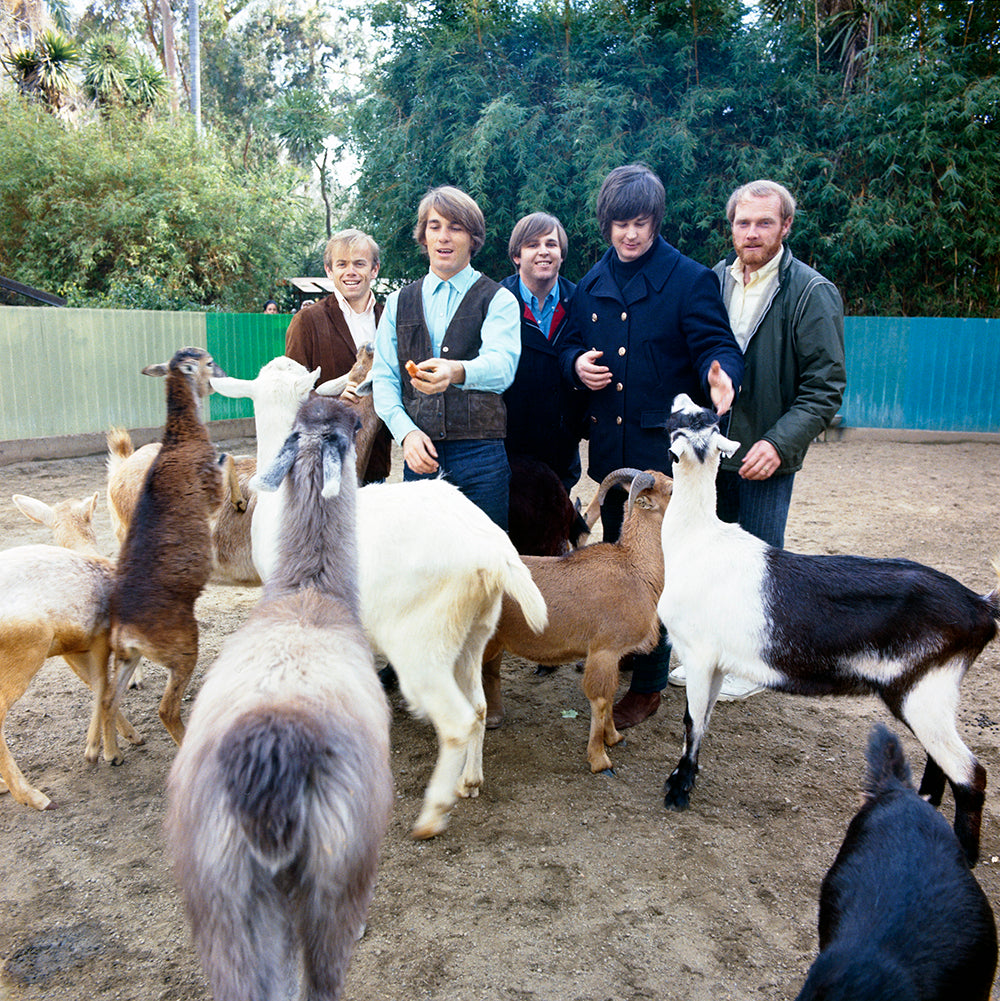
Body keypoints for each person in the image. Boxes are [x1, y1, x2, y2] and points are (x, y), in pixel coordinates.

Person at [559, 163, 745, 730]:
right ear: (605, 225)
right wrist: (575, 365)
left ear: (656, 222)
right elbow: (568, 342)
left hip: (664, 462)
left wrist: (721, 374)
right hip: (613, 458)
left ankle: (649, 683)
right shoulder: (591, 282)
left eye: (640, 224)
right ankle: (617, 647)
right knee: (619, 563)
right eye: (620, 225)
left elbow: (717, 342)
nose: (630, 235)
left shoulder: (689, 279)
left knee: (658, 573)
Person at [667, 179, 845, 700]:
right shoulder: (711, 280)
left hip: (766, 455)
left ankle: (753, 665)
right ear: (731, 227)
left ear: (786, 226)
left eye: (765, 222)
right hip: (709, 454)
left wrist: (779, 444)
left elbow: (825, 387)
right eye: (743, 222)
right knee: (704, 560)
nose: (752, 232)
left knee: (761, 565)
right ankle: (711, 656)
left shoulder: (811, 292)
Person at [371, 185, 520, 529]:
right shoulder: (397, 303)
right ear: (423, 236)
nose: (444, 237)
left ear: (473, 238)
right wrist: (406, 434)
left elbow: (503, 366)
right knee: (426, 570)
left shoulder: (497, 299)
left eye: (456, 227)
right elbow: (384, 379)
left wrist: (456, 371)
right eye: (434, 226)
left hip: (482, 457)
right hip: (420, 455)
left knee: (485, 570)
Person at [284, 228, 392, 483]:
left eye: (359, 263)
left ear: (374, 270)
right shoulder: (307, 321)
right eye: (341, 264)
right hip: (321, 466)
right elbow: (289, 392)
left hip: (375, 464)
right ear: (329, 271)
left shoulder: (390, 319)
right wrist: (329, 399)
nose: (350, 271)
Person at [500, 212, 585, 493]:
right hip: (508, 454)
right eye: (532, 245)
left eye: (551, 244)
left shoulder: (582, 302)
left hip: (561, 456)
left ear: (561, 254)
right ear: (516, 255)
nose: (543, 252)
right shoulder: (496, 302)